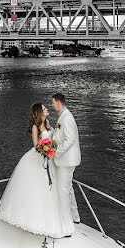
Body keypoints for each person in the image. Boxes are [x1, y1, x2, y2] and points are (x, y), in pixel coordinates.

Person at [0, 103, 75, 238]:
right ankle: (32, 220)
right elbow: (36, 145)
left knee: (51, 189)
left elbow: (52, 138)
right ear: (40, 112)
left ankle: (53, 219)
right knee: (37, 188)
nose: (47, 109)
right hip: (38, 158)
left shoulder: (48, 122)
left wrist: (53, 144)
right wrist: (47, 147)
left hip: (49, 157)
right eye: (44, 109)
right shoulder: (35, 126)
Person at [52, 93, 81, 225]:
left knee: (63, 190)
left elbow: (70, 139)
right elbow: (61, 136)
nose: (52, 105)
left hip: (66, 160)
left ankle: (66, 223)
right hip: (67, 160)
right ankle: (74, 217)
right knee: (68, 188)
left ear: (58, 102)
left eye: (53, 102)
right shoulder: (63, 117)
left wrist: (56, 152)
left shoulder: (67, 118)